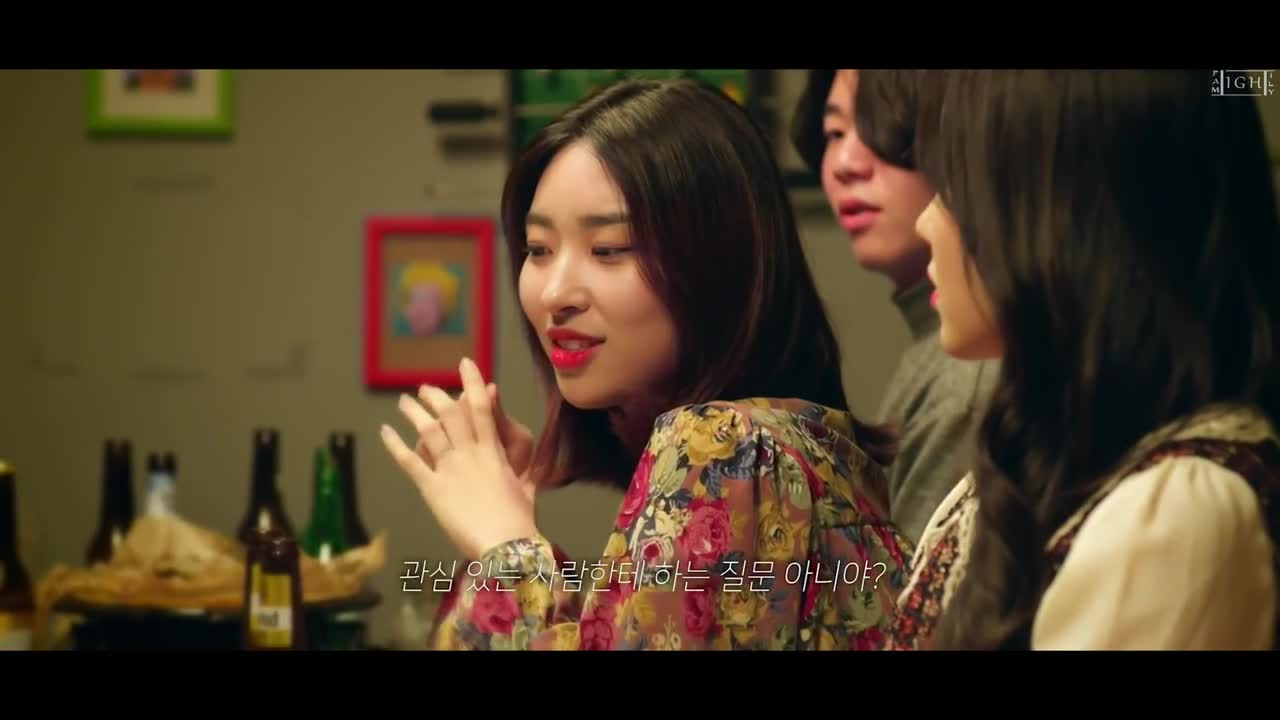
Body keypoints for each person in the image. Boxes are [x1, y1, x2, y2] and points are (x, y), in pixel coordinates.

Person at [379, 78, 913, 650]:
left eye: (608, 249)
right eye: (538, 250)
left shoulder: (725, 445)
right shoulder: (798, 447)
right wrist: (512, 536)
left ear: (716, 263)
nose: (555, 293)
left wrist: (503, 545)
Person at [879, 69, 1280, 650]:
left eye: (955, 189)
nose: (927, 223)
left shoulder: (1177, 513)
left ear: (1067, 217)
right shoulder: (1040, 459)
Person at [790, 69, 997, 544]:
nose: (845, 163)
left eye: (881, 127)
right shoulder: (933, 351)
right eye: (834, 133)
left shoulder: (969, 372)